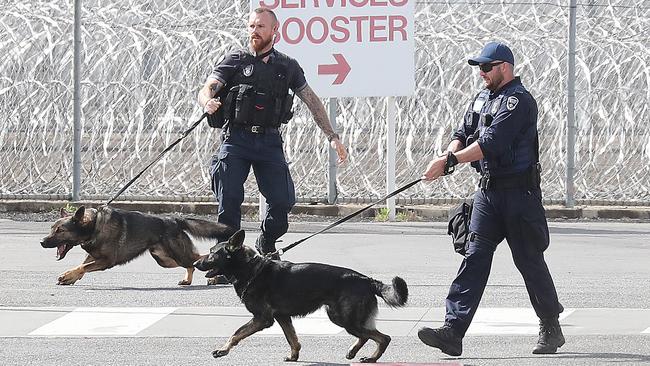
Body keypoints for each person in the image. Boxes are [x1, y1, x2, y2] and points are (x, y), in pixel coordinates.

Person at [418, 41, 565, 356]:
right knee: (474, 257)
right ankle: (452, 331)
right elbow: (463, 131)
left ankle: (550, 325)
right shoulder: (482, 98)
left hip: (519, 194)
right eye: (479, 67)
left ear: (505, 68)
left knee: (528, 261)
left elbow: (493, 142)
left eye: (486, 67)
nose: (481, 73)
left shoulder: (519, 101)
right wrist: (449, 155)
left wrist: (450, 163)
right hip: (487, 192)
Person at [197, 7, 348, 261]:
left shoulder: (287, 66)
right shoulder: (236, 60)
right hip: (236, 139)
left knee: (282, 201)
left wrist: (332, 136)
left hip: (268, 141)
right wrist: (207, 102)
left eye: (260, 27)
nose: (254, 31)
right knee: (229, 200)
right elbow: (208, 87)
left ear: (274, 31)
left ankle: (266, 240)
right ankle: (225, 261)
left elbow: (311, 100)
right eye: (251, 26)